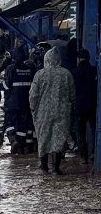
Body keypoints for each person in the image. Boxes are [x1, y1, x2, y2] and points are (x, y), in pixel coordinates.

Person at [30, 47, 76, 175]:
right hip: (62, 112)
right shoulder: (66, 74)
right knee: (59, 138)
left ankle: (44, 166)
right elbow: (72, 95)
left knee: (43, 138)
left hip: (42, 113)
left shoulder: (40, 74)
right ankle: (55, 168)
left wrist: (33, 108)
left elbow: (33, 95)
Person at [2, 46, 36, 155]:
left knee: (8, 122)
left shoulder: (11, 68)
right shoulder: (30, 69)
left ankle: (13, 140)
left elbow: (7, 86)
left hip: (12, 103)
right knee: (22, 124)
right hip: (26, 102)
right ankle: (21, 146)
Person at [73, 49, 97, 166]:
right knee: (94, 130)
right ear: (88, 58)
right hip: (93, 105)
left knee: (81, 133)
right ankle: (94, 153)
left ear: (78, 59)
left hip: (79, 107)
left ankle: (84, 156)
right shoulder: (94, 70)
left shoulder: (75, 72)